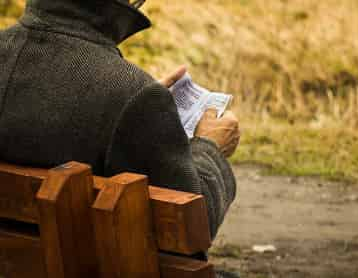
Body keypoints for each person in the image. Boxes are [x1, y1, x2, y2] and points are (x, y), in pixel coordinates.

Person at [0, 0, 240, 274]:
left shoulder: (134, 96)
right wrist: (210, 148)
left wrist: (143, 109)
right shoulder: (133, 94)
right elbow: (193, 226)